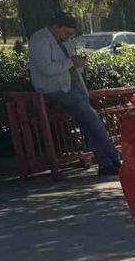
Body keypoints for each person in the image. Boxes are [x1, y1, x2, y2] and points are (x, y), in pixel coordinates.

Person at [27, 11, 121, 175]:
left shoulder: (65, 41)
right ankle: (114, 156)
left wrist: (79, 63)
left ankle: (106, 164)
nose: (68, 36)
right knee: (91, 118)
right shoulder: (40, 40)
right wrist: (71, 62)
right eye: (66, 32)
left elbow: (73, 65)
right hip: (54, 89)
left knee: (87, 122)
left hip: (74, 86)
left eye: (71, 34)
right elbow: (46, 69)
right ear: (56, 27)